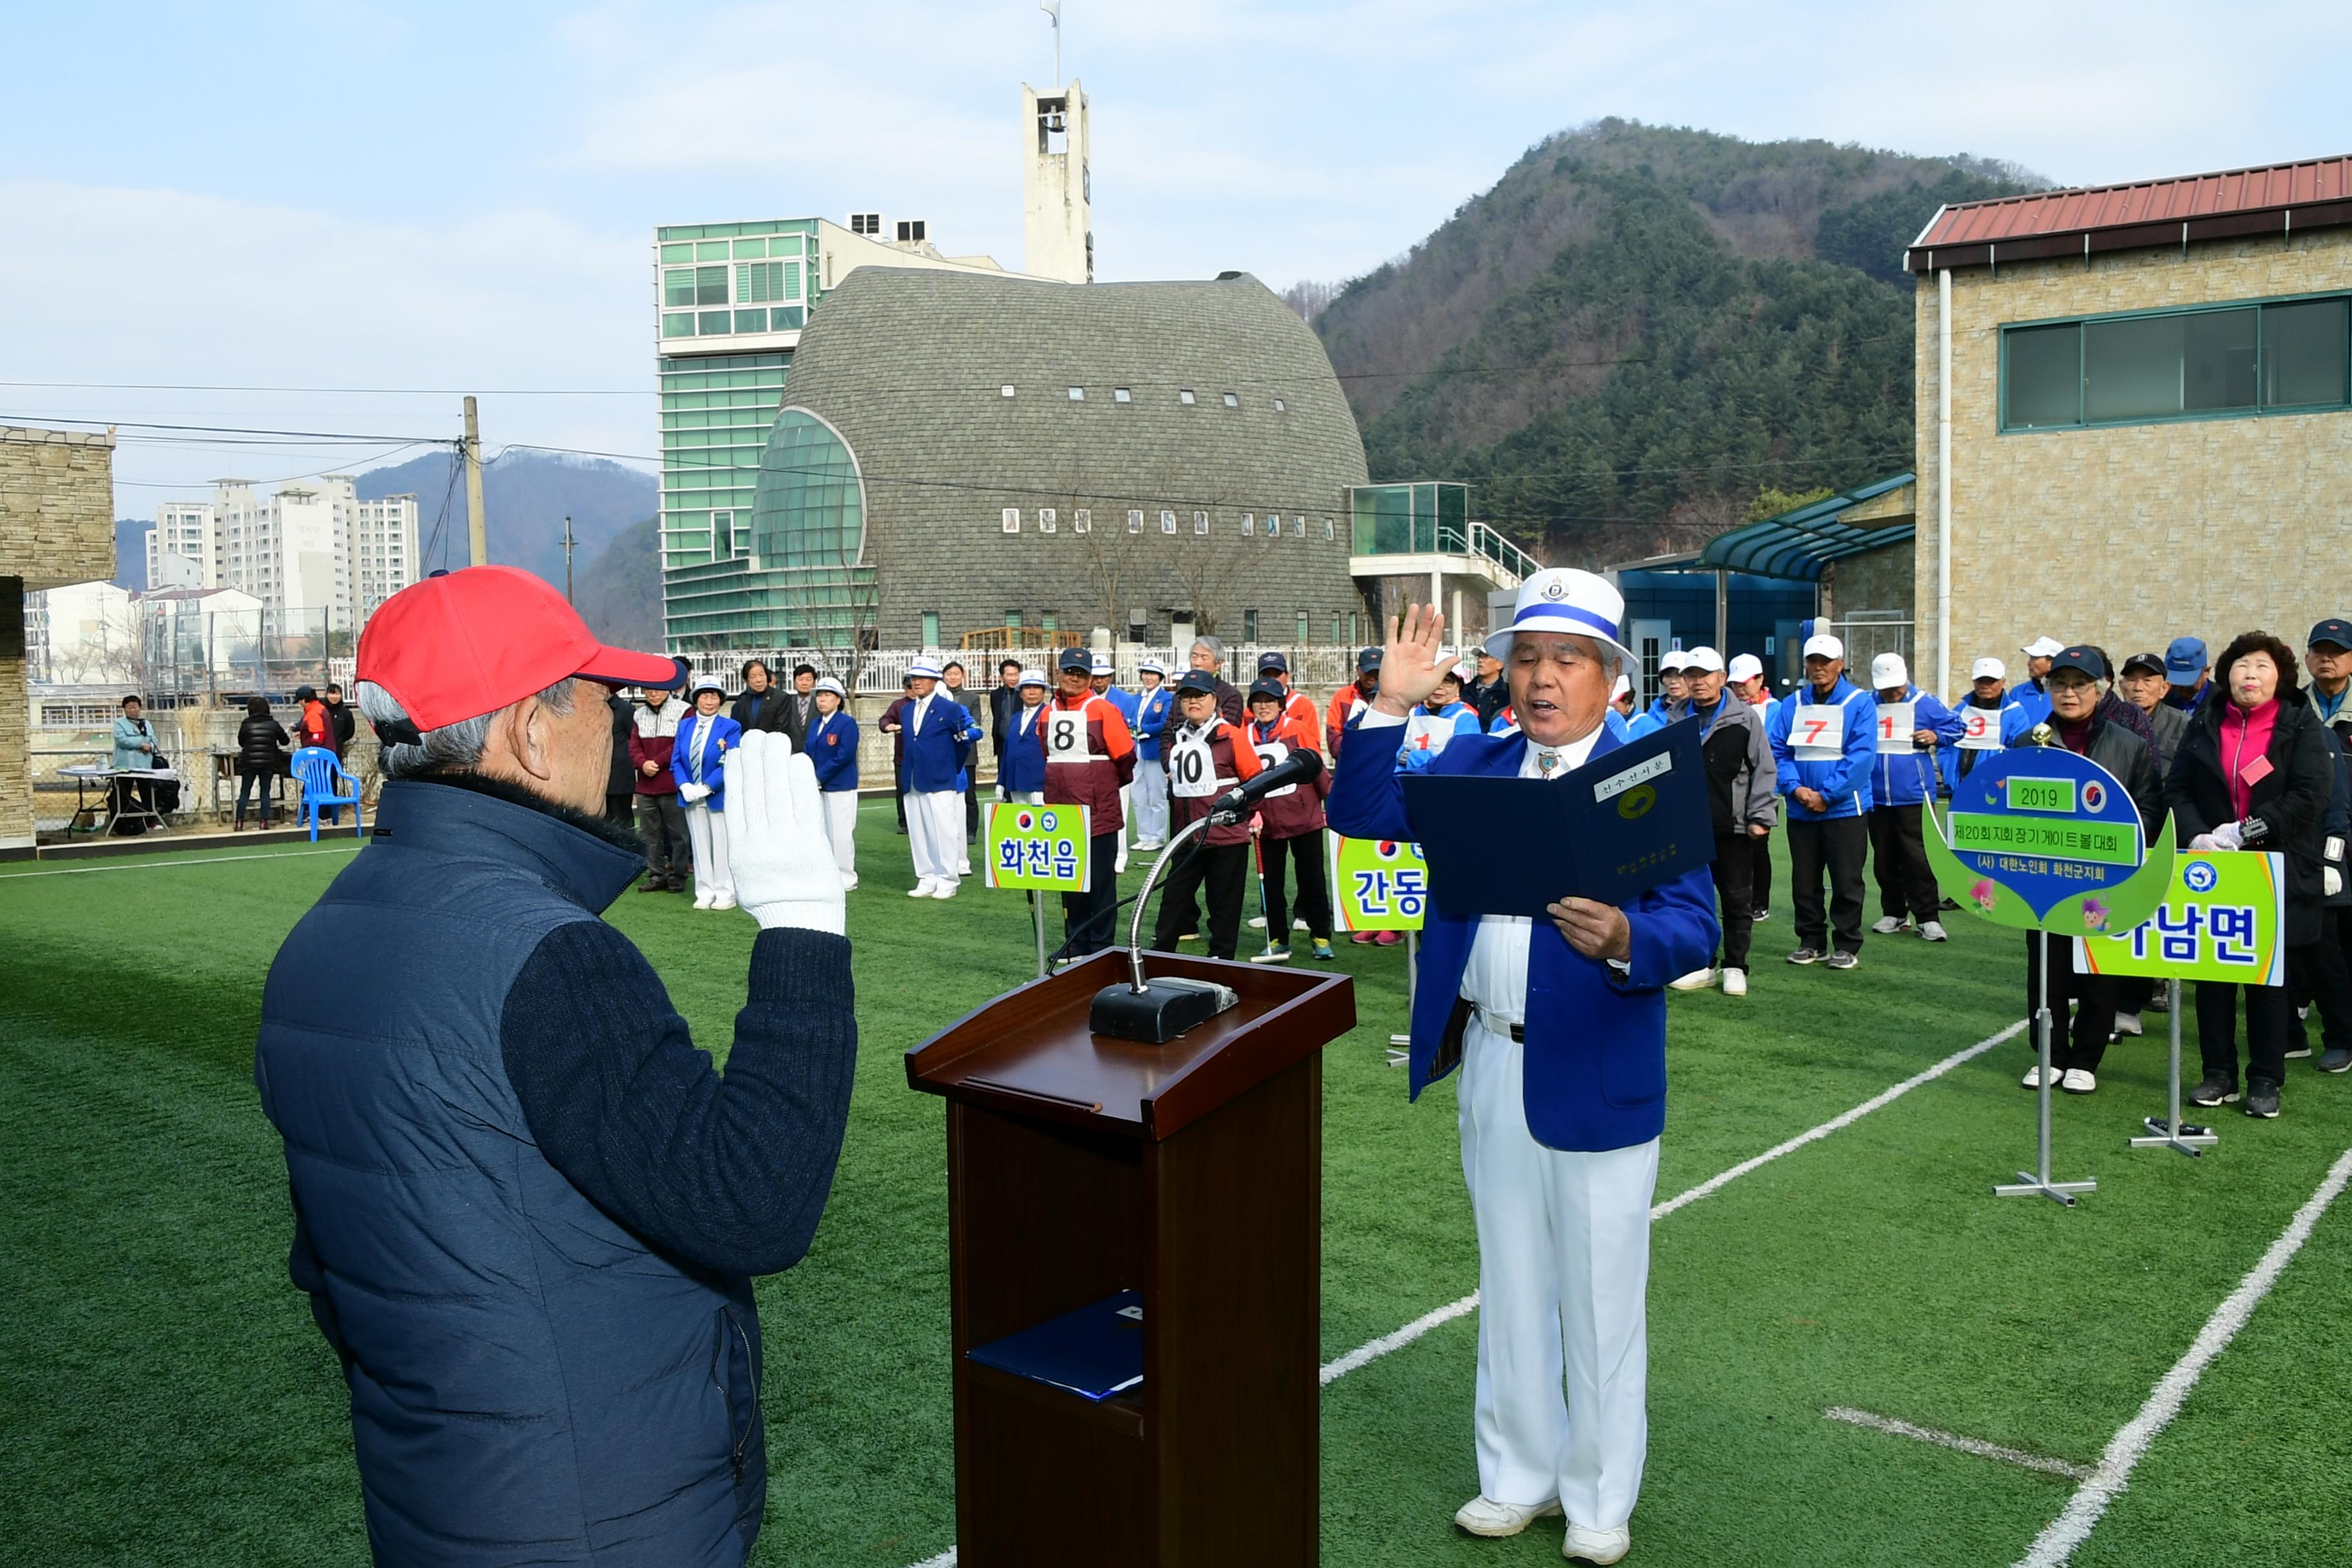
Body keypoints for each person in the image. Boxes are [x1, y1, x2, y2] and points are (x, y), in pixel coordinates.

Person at [260, 567, 853, 1568]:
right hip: (597, 1513)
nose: (618, 725)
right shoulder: (548, 953)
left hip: (443, 1497)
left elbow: (332, 1268)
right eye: (600, 697)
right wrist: (802, 926)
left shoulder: (321, 935)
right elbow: (754, 1204)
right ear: (531, 735)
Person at [1325, 576, 1716, 1564]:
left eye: (1567, 659)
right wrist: (1392, 703)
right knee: (1511, 1285)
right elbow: (1362, 809)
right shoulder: (1479, 759)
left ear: (1612, 678)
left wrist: (1630, 935)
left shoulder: (1648, 774)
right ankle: (1516, 1478)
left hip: (1596, 1072)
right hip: (1492, 1064)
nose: (1542, 679)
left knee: (1597, 1300)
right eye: (1528, 657)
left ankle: (1596, 1500)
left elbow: (1697, 922)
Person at [2170, 632, 2336, 1119]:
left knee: (2268, 980)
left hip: (2273, 867)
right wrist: (2199, 835)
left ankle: (2265, 1078)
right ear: (2226, 674)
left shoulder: (2298, 724)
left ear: (2281, 676)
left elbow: (2311, 794)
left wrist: (2248, 830)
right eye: (2242, 665)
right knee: (2214, 976)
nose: (2251, 676)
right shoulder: (2206, 721)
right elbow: (2178, 786)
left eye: (2263, 667)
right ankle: (2218, 1072)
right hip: (2213, 867)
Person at [2010, 647, 2164, 1095]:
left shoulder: (2129, 744)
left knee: (2099, 969)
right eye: (2059, 684)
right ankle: (2049, 1055)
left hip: (2104, 877)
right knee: (2045, 968)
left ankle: (2086, 1057)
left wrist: (2119, 847)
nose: (2069, 693)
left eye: (2079, 685)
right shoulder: (2028, 741)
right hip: (2043, 878)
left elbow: (2150, 807)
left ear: (2101, 689)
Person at [1666, 647, 1774, 995]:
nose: (1698, 682)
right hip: (1689, 828)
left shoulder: (1745, 718)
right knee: (1694, 900)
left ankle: (1736, 965)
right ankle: (1702, 963)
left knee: (1736, 899)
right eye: (1692, 675)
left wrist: (1761, 816)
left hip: (1734, 826)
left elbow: (1764, 769)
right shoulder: (1674, 719)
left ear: (1721, 679)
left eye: (1705, 675)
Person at [1766, 632, 1876, 968]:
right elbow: (1778, 749)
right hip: (1801, 809)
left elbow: (1861, 756)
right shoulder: (1792, 704)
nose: (1818, 668)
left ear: (1840, 665)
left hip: (1843, 809)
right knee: (1805, 881)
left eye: (1825, 662)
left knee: (1846, 880)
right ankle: (1810, 941)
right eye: (1812, 661)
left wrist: (1827, 795)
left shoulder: (1860, 702)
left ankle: (1846, 945)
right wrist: (1795, 788)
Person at [1153, 670, 1263, 961]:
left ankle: (1222, 964)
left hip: (1226, 840)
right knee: (1172, 903)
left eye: (1199, 695)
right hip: (1187, 837)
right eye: (1187, 696)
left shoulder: (1232, 736)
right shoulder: (1178, 737)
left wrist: (1240, 815)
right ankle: (1157, 961)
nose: (1193, 701)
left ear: (1214, 699)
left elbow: (1257, 782)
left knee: (1224, 908)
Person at [1862, 652, 1961, 941]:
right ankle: (1894, 912)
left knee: (1918, 857)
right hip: (1876, 796)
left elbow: (1957, 726)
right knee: (1884, 857)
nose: (1892, 692)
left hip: (1915, 795)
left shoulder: (1924, 702)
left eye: (1896, 686)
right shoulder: (1868, 703)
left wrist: (1935, 736)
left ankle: (1928, 917)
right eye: (1886, 687)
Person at [1044, 647, 1135, 954]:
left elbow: (1125, 757)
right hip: (1061, 811)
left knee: (1100, 883)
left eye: (1081, 674)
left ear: (1090, 678)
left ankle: (1101, 944)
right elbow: (1045, 753)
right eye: (1069, 671)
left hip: (1098, 810)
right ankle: (1075, 941)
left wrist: (1103, 786)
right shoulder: (1048, 712)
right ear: (1058, 673)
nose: (1074, 678)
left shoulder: (1104, 710)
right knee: (1070, 880)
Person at [1243, 677, 1335, 963]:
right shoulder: (1243, 735)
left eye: (1269, 701)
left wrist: (1328, 801)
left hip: (1303, 817)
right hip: (1266, 822)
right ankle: (1277, 939)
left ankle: (1321, 936)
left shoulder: (1296, 729)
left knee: (1312, 881)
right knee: (1271, 884)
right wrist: (1249, 811)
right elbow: (1243, 776)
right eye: (1258, 702)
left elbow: (1315, 765)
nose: (1264, 707)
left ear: (1280, 704)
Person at [2304, 618, 2352, 1073]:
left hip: (2345, 833)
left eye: (2336, 650)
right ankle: (2337, 1034)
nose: (2327, 657)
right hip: (2313, 841)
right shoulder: (2295, 711)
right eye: (2319, 649)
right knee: (2322, 943)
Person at [897, 659, 982, 899]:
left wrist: (949, 767)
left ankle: (948, 878)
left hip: (941, 777)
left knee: (943, 829)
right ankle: (926, 876)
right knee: (918, 830)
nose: (917, 682)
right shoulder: (907, 710)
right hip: (913, 777)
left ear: (935, 681)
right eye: (914, 678)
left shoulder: (950, 708)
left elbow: (965, 740)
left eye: (923, 678)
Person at [673, 678, 742, 910]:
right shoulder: (685, 726)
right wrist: (685, 786)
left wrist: (706, 787)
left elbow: (729, 761)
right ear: (696, 700)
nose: (709, 701)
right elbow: (677, 761)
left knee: (721, 844)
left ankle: (725, 891)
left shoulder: (731, 727)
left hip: (716, 796)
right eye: (704, 695)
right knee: (700, 845)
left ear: (721, 700)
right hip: (691, 797)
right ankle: (704, 890)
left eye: (714, 696)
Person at [1727, 654, 1776, 923]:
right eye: (1736, 683)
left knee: (1759, 849)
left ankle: (1760, 901)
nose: (1741, 688)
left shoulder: (1775, 709)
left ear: (1760, 680)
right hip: (1731, 792)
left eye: (1746, 682)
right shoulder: (1729, 710)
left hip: (1759, 787)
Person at [631, 685, 689, 893]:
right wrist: (642, 763)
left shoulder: (683, 710)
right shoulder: (638, 714)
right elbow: (634, 746)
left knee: (679, 835)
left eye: (658, 690)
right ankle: (656, 875)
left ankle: (678, 875)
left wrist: (656, 762)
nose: (653, 694)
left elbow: (681, 744)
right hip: (646, 786)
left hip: (673, 783)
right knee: (649, 835)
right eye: (648, 690)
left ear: (668, 690)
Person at [804, 677, 861, 890]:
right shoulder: (815, 724)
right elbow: (809, 752)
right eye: (820, 695)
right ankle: (828, 874)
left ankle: (846, 876)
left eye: (828, 695)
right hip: (818, 787)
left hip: (840, 786)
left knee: (841, 834)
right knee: (823, 833)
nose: (822, 700)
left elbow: (844, 755)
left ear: (838, 700)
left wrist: (819, 776)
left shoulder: (846, 723)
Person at [1093, 656, 1140, 872]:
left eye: (1103, 677)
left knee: (1119, 808)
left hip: (1116, 762)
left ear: (1110, 677)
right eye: (1096, 676)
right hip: (1092, 765)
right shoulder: (1086, 699)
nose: (1099, 681)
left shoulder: (1125, 700)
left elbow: (1132, 733)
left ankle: (1120, 855)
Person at [1398, 660, 1484, 768]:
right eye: (1435, 679)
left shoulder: (1466, 718)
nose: (1439, 686)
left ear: (1458, 687)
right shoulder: (1409, 713)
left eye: (1447, 681)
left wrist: (1410, 758)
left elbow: (1460, 759)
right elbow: (1391, 753)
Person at [2117, 651, 2191, 774]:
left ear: (2164, 689)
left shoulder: (2184, 725)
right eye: (2132, 680)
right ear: (2121, 687)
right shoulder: (2108, 724)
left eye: (2147, 681)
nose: (2138, 688)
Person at [1130, 659, 1173, 850]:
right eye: (1146, 673)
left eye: (1153, 674)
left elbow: (1165, 723)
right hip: (1136, 749)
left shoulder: (1165, 698)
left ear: (1160, 677)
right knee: (1139, 794)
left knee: (1157, 795)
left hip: (1154, 749)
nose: (1148, 677)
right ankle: (1144, 835)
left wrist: (1142, 729)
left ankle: (1157, 836)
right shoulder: (1136, 698)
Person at [108, 694, 162, 835]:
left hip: (144, 765)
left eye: (135, 707)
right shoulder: (120, 724)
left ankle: (151, 821)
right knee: (123, 793)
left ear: (140, 708)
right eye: (129, 707)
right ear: (124, 709)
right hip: (124, 766)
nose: (133, 710)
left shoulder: (147, 724)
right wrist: (141, 744)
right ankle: (125, 823)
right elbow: (122, 740)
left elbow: (154, 741)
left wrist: (150, 746)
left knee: (148, 793)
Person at [943, 660, 981, 854]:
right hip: (944, 759)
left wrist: (960, 736)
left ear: (962, 675)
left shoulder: (971, 698)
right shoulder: (939, 700)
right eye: (949, 674)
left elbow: (977, 727)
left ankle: (970, 831)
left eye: (956, 674)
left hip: (966, 754)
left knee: (969, 795)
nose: (953, 677)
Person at [235, 695, 289, 830]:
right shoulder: (273, 724)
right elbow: (285, 741)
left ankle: (239, 822)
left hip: (248, 762)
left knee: (244, 792)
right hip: (268, 762)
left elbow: (241, 742)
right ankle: (264, 822)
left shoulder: (246, 724)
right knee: (265, 792)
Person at [997, 669, 1050, 803]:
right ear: (1020, 692)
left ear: (1043, 691)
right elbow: (1007, 752)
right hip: (1015, 782)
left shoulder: (1050, 715)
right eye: (1027, 688)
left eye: (1037, 688)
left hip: (1039, 783)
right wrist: (1001, 782)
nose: (1032, 692)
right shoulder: (1015, 718)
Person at [879, 674, 917, 834]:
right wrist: (889, 726)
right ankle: (904, 823)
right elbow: (884, 720)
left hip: (923, 758)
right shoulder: (898, 705)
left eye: (914, 687)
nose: (912, 691)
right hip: (902, 757)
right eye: (909, 688)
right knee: (902, 790)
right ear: (904, 688)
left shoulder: (926, 705)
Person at [1328, 647, 1380, 756]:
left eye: (1377, 672)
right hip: (1349, 763)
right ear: (1358, 670)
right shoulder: (1342, 697)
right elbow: (1333, 738)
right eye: (1368, 672)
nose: (1373, 677)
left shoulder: (1393, 698)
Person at [604, 685, 637, 827]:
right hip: (600, 775)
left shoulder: (625, 710)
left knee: (622, 820)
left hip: (620, 777)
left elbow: (634, 739)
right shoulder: (593, 709)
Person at [2012, 636, 2063, 726]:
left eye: (2035, 658)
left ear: (2051, 662)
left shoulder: (2064, 694)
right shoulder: (2017, 693)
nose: (2029, 663)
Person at [730, 660, 787, 739]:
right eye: (753, 677)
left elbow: (782, 729)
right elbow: (736, 730)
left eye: (761, 675)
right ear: (746, 681)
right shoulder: (742, 701)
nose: (759, 680)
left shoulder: (780, 697)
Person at [988, 658, 1024, 766]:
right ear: (1002, 677)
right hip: (1002, 743)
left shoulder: (1024, 694)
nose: (1013, 678)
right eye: (1009, 675)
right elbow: (997, 717)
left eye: (1016, 674)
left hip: (1020, 742)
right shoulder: (996, 695)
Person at [1464, 648, 1510, 730]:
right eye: (1479, 657)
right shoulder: (1465, 690)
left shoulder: (1507, 693)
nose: (1481, 660)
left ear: (1500, 664)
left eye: (1486, 657)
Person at [2165, 636, 2213, 713]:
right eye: (2176, 683)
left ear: (2206, 672)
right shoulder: (2160, 700)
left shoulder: (2222, 705)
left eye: (2189, 685)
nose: (2182, 691)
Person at [1643, 651, 1689, 728]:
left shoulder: (1698, 707)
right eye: (1668, 676)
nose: (1673, 681)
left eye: (1679, 675)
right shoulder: (1654, 710)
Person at [322, 683, 356, 760]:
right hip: (320, 749)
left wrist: (339, 740)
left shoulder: (346, 712)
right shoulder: (321, 710)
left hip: (337, 750)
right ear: (327, 695)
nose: (335, 696)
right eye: (332, 693)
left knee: (335, 770)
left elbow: (350, 731)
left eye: (337, 694)